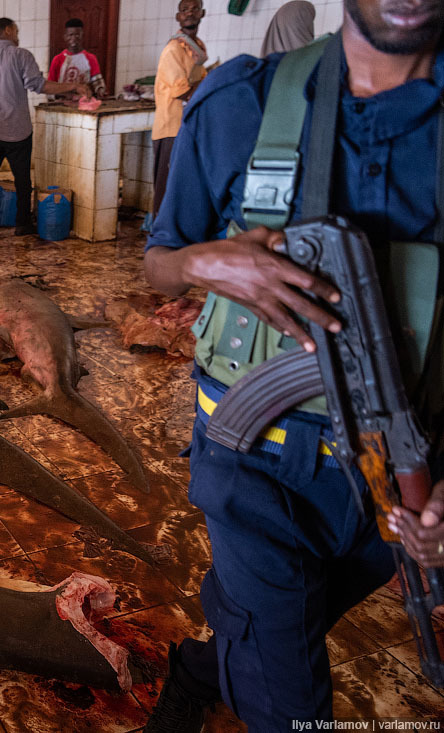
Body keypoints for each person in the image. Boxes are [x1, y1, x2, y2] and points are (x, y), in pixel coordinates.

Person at [142, 0, 444, 728]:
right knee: (290, 702)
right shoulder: (243, 101)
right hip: (258, 479)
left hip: (400, 483)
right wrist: (203, 263)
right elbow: (160, 261)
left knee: (272, 631)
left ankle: (201, 668)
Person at [0, 17, 90, 236]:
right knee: (23, 179)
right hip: (18, 131)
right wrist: (74, 86)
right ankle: (22, 224)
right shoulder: (22, 55)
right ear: (7, 30)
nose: (17, 36)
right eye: (15, 31)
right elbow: (38, 85)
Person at [151, 0, 207, 222]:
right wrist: (211, 82)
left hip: (187, 125)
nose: (190, 14)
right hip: (170, 128)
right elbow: (184, 92)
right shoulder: (174, 49)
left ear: (202, 13)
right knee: (166, 186)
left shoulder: (197, 46)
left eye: (194, 9)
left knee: (180, 184)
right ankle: (160, 234)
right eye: (185, 10)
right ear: (178, 17)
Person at [46, 18, 107, 98]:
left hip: (84, 103)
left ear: (82, 36)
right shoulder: (57, 60)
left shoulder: (91, 58)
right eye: (70, 35)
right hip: (62, 103)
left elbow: (98, 83)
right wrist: (63, 95)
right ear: (65, 37)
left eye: (77, 35)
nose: (74, 38)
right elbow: (49, 89)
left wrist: (100, 91)